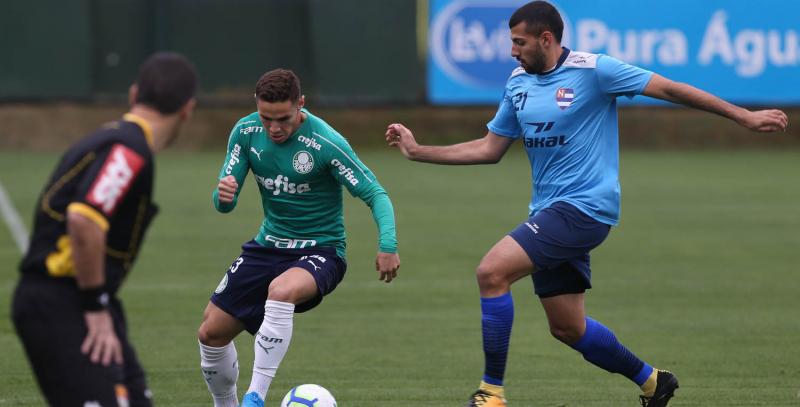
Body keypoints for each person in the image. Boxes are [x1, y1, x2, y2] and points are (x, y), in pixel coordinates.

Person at [385, 2, 789, 406]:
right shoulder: (517, 84)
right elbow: (490, 148)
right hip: (548, 212)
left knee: (491, 272)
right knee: (567, 328)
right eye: (511, 42)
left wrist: (742, 116)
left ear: (547, 39)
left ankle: (491, 394)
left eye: (519, 42)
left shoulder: (595, 70)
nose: (512, 50)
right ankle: (653, 382)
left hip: (585, 209)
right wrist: (419, 151)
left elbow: (668, 88)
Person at [197, 68, 401, 407]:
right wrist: (224, 197)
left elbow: (376, 193)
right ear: (256, 107)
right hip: (267, 246)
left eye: (283, 119)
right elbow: (223, 204)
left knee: (282, 290)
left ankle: (254, 397)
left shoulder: (325, 142)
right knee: (210, 333)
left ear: (301, 105)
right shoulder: (246, 132)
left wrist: (388, 245)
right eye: (267, 118)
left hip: (321, 251)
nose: (274, 128)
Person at [12, 52, 198, 406]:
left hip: (85, 301)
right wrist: (95, 307)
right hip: (63, 303)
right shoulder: (129, 150)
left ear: (132, 94)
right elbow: (84, 218)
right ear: (188, 109)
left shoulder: (113, 139)